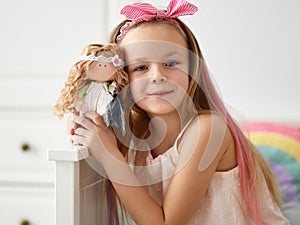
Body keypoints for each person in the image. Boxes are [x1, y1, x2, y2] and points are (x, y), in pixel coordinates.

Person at [71, 0, 290, 224]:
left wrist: (110, 157)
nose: (157, 75)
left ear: (192, 69)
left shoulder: (209, 129)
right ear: (122, 78)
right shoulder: (135, 139)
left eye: (171, 63)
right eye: (141, 67)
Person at [54, 43, 128, 135]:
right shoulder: (87, 88)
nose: (101, 68)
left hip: (105, 109)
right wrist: (77, 104)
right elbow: (80, 95)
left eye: (105, 66)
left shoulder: (110, 88)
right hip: (87, 109)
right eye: (98, 65)